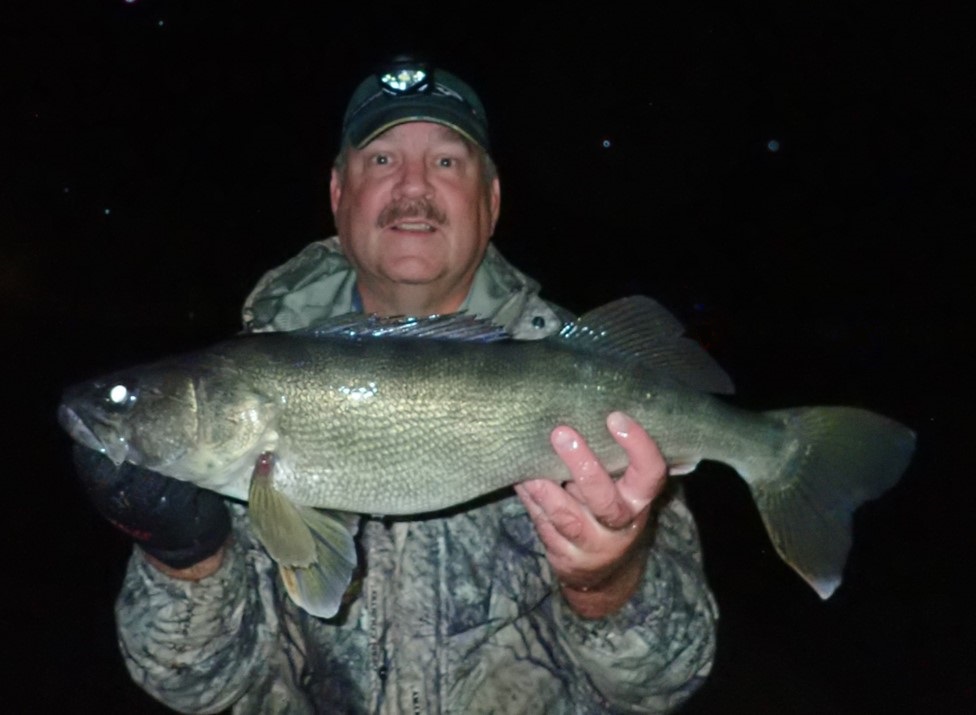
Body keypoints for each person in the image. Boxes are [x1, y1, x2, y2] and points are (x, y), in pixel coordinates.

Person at [75, 60, 718, 713]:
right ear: (338, 194)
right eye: (381, 160)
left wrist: (608, 579)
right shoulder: (247, 384)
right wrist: (185, 557)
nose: (413, 186)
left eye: (446, 162)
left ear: (491, 200)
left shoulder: (588, 376)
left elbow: (669, 679)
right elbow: (190, 684)